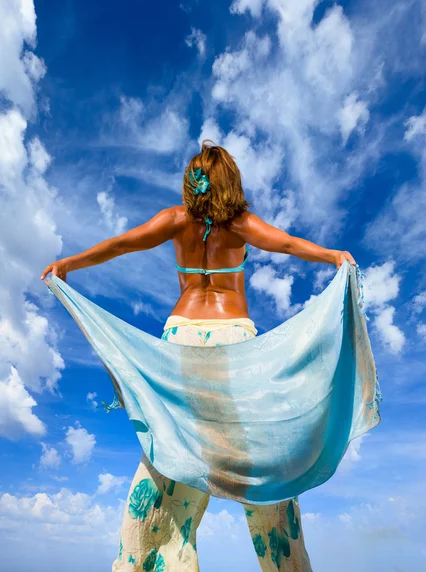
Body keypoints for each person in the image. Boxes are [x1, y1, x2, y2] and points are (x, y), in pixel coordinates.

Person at [41, 140, 355, 571]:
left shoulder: (175, 219)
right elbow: (285, 244)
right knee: (262, 465)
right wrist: (332, 256)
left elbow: (121, 245)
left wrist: (69, 264)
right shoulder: (241, 223)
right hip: (233, 344)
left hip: (183, 342)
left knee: (170, 456)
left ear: (195, 182)